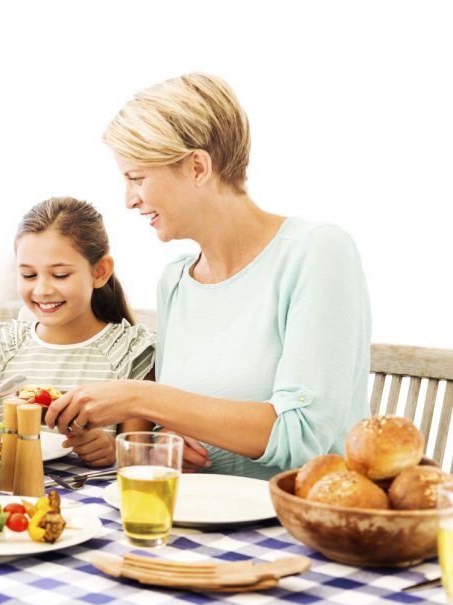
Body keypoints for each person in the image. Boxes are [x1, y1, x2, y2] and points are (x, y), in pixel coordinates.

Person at [46, 73, 372, 480]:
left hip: (292, 523)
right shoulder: (177, 281)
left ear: (197, 166)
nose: (129, 200)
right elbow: (188, 416)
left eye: (136, 178)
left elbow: (301, 435)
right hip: (200, 516)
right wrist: (170, 441)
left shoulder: (318, 251)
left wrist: (139, 397)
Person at [0, 197, 156, 467]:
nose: (42, 290)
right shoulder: (1, 346)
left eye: (60, 275)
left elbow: (140, 458)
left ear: (100, 272)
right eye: (29, 275)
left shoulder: (130, 352)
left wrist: (112, 450)